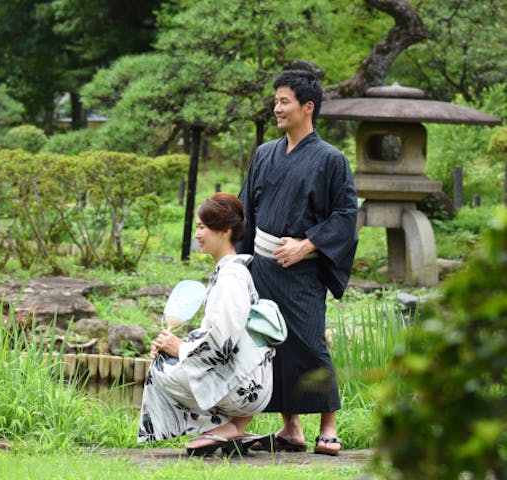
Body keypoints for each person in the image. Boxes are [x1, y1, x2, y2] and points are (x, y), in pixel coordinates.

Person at [236, 69, 358, 456]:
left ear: (308, 107)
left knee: (308, 342)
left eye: (284, 101)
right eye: (275, 101)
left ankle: (328, 424)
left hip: (301, 268)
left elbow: (344, 215)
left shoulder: (331, 160)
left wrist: (307, 246)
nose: (276, 108)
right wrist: (238, 261)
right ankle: (291, 428)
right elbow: (246, 212)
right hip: (263, 264)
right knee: (268, 343)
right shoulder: (265, 153)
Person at [137, 192, 274, 457]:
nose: (197, 235)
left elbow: (221, 344)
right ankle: (231, 426)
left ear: (224, 230)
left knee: (162, 370)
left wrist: (179, 349)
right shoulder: (231, 272)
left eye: (202, 227)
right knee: (168, 359)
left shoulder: (231, 278)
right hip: (248, 381)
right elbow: (219, 335)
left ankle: (227, 427)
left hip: (246, 388)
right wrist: (173, 345)